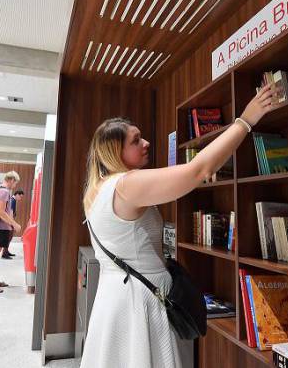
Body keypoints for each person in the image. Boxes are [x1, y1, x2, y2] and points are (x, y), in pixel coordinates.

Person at [79, 85, 277, 368]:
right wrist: (245, 121)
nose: (146, 142)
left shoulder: (96, 191)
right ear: (116, 152)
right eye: (136, 141)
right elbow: (198, 170)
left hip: (115, 299)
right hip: (141, 301)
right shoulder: (126, 184)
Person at [1, 189, 24, 259]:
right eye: (20, 197)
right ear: (17, 194)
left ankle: (6, 251)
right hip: (9, 222)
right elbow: (10, 212)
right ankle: (4, 253)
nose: (20, 198)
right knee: (8, 237)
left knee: (9, 237)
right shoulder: (13, 200)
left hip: (9, 221)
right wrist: (13, 223)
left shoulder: (12, 200)